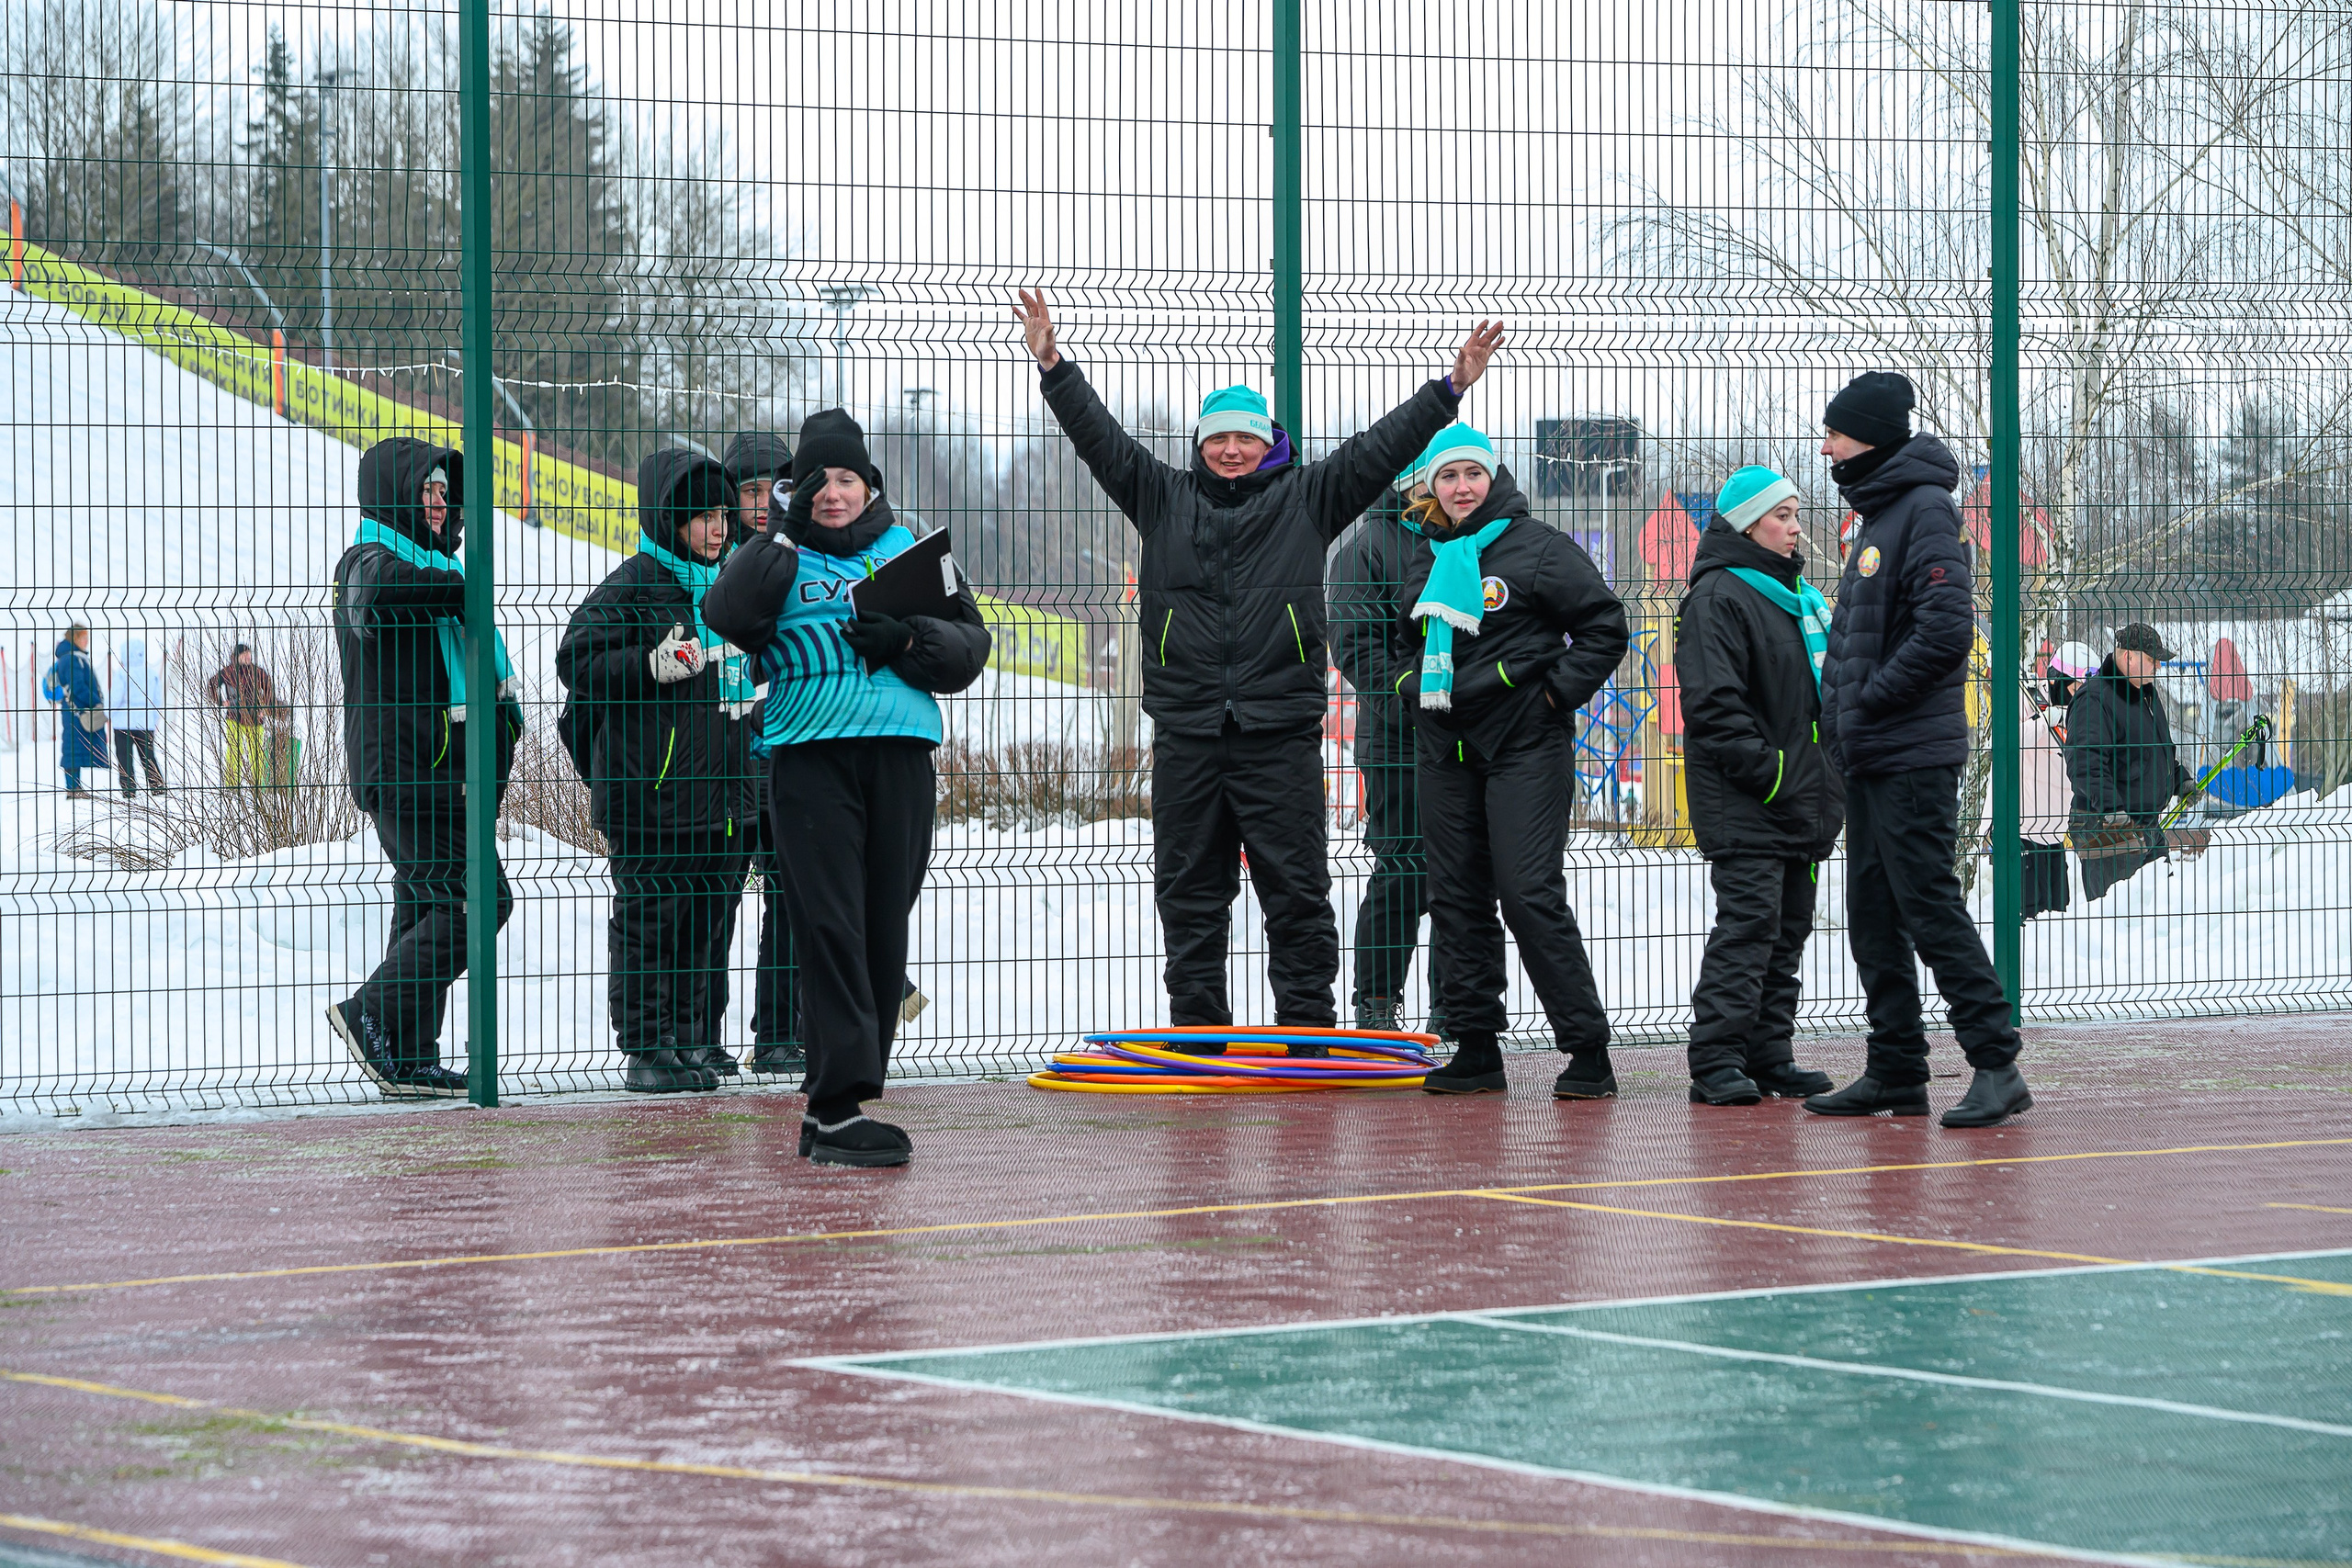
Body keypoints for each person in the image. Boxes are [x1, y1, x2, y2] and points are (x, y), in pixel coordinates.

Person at [1014, 287, 1503, 1041]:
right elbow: (1098, 438)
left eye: (1244, 437)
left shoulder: (1311, 496)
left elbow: (1383, 447)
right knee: (1188, 888)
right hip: (1188, 732)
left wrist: (1450, 387)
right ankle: (1199, 1028)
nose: (1231, 450)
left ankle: (1307, 1025)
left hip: (1278, 732)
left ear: (1268, 440)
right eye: (1218, 439)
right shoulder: (1160, 497)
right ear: (1202, 445)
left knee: (1297, 887)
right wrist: (1052, 364)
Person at [704, 410, 991, 1167]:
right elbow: (726, 614)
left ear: (870, 485)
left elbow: (972, 646)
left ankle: (845, 1102)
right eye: (816, 480)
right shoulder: (774, 553)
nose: (832, 493)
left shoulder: (915, 552)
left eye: (845, 478)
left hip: (900, 758)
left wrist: (907, 639)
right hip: (808, 759)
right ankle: (834, 1107)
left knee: (880, 928)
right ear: (795, 490)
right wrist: (779, 535)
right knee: (828, 926)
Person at [1806, 372, 2030, 1128]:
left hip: (1910, 752)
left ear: (1869, 435)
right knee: (1872, 912)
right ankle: (1897, 1068)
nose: (1827, 445)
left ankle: (1996, 1064)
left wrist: (1868, 699)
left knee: (1928, 904)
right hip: (1873, 753)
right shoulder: (1881, 513)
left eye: (1835, 432)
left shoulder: (1924, 510)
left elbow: (1945, 630)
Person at [1393, 426, 1629, 1096]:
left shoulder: (1538, 548)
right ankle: (1476, 1048)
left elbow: (1605, 625)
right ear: (1432, 486)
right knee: (1457, 896)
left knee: (1528, 894)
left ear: (1493, 478)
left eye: (1472, 474)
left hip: (1524, 742)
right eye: (1448, 477)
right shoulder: (1428, 552)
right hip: (1444, 746)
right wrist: (1409, 682)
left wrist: (1553, 694)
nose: (1461, 487)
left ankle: (1587, 1049)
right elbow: (1400, 639)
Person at [558, 448, 758, 1093]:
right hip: (653, 794)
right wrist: (649, 664)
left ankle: (690, 1039)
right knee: (649, 923)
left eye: (721, 514)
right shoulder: (634, 584)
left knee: (703, 922)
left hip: (722, 796)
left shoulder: (729, 583)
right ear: (669, 519)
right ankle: (646, 1046)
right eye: (701, 516)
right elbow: (577, 661)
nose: (718, 528)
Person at [327, 438, 521, 1100]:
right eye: (428, 491)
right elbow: (377, 601)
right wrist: (463, 587)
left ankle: (407, 1056)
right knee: (483, 899)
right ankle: (371, 1011)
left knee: (422, 905)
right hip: (405, 772)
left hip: (445, 775)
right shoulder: (365, 559)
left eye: (445, 493)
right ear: (396, 495)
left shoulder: (439, 571)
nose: (440, 504)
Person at [1672, 468, 1842, 1106]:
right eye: (1784, 515)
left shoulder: (1791, 596)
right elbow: (1715, 705)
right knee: (1748, 925)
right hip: (1750, 797)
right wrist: (1772, 775)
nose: (1796, 526)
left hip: (1798, 795)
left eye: (1796, 513)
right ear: (1747, 524)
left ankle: (1769, 1052)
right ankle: (1715, 1058)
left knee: (1787, 928)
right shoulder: (1719, 596)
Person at [1328, 456, 1437, 1032]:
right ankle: (1376, 1004)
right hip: (1398, 739)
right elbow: (1354, 646)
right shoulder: (1368, 548)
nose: (1443, 486)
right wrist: (1407, 696)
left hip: (1471, 739)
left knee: (1466, 876)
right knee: (1404, 869)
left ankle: (1458, 1006)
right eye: (1430, 475)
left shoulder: (1472, 540)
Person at [720, 431, 806, 1075]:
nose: (758, 502)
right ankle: (700, 1037)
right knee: (715, 900)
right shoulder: (714, 563)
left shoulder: (799, 559)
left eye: (769, 489)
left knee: (789, 895)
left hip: (782, 756)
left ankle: (777, 1032)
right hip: (724, 763)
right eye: (746, 490)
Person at [2066, 623, 2195, 902]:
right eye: (2152, 659)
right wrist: (2113, 809)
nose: (2157, 667)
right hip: (2108, 831)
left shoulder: (2147, 694)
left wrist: (2178, 779)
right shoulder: (2095, 699)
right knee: (2118, 926)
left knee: (2161, 918)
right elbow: (2085, 765)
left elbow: (2153, 752)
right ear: (2128, 656)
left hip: (2147, 827)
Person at [2020, 641, 2095, 919]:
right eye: (2076, 686)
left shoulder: (2084, 712)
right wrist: (2045, 720)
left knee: (2058, 913)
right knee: (2030, 916)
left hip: (2057, 832)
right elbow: (2007, 742)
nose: (2080, 694)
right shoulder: (2028, 702)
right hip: (2027, 830)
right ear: (2060, 681)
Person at [41, 623, 108, 798]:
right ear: (76, 638)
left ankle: (75, 787)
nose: (87, 641)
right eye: (84, 637)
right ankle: (73, 788)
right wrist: (96, 702)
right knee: (72, 748)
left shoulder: (72, 657)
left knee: (74, 748)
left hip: (74, 711)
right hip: (76, 711)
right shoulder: (71, 659)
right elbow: (77, 686)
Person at [207, 644, 276, 788]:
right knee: (234, 752)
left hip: (255, 718)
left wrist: (265, 708)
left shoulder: (258, 672)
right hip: (234, 717)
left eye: (249, 654)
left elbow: (269, 690)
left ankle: (259, 786)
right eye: (244, 655)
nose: (248, 657)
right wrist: (220, 701)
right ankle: (232, 786)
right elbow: (211, 684)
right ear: (236, 658)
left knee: (257, 754)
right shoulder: (228, 672)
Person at [107, 637, 166, 796]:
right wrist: (154, 719)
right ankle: (157, 785)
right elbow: (157, 700)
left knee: (124, 757)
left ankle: (128, 789)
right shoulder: (151, 674)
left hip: (122, 724)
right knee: (148, 756)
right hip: (145, 723)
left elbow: (115, 698)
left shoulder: (122, 674)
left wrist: (108, 713)